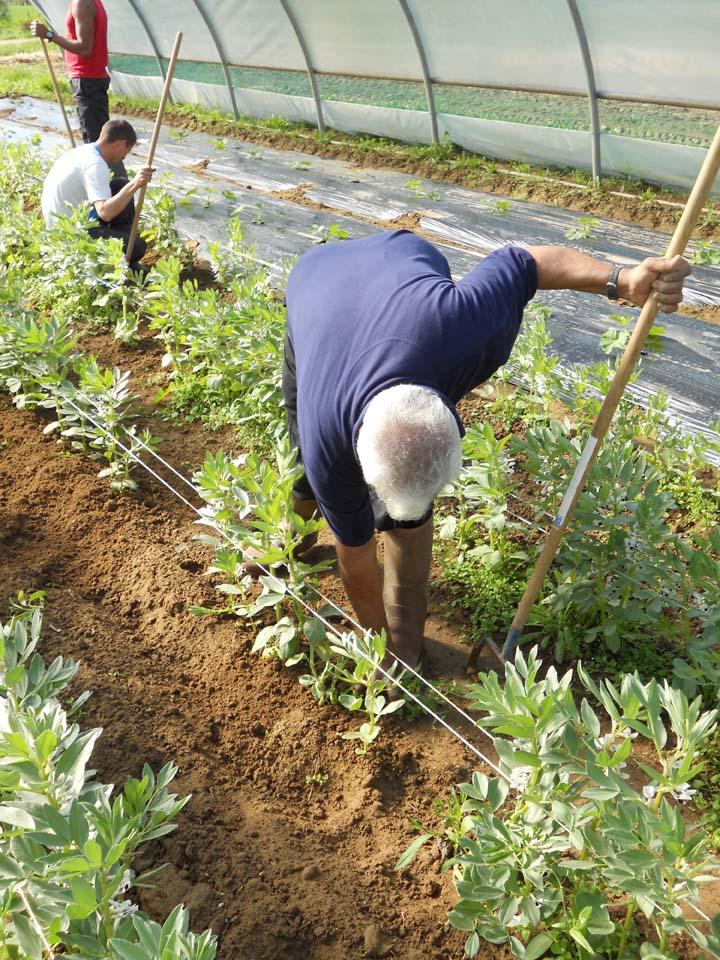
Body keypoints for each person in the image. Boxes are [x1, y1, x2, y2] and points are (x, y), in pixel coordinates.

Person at [284, 230, 691, 670]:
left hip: (399, 257)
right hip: (316, 282)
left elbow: (527, 262)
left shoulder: (463, 325)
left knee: (408, 508)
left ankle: (408, 634)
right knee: (304, 460)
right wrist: (377, 651)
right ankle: (290, 537)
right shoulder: (327, 439)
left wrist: (623, 280)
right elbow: (357, 563)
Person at [41, 118, 153, 268]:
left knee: (120, 185)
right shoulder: (95, 164)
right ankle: (124, 263)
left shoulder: (82, 152)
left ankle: (120, 239)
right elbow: (105, 213)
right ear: (120, 144)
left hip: (59, 225)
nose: (123, 158)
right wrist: (135, 183)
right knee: (136, 247)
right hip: (72, 235)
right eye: (125, 152)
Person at [30, 0, 117, 165]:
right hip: (91, 79)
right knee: (101, 140)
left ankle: (103, 179)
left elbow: (85, 48)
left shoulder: (81, 3)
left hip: (87, 80)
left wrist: (49, 35)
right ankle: (113, 178)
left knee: (95, 146)